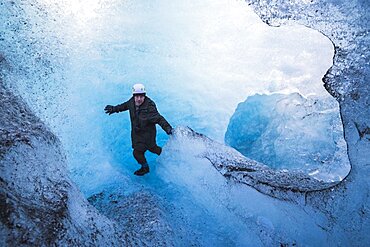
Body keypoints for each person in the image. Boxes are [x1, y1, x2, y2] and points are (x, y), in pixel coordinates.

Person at [104, 83, 173, 176]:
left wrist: (168, 129)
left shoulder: (150, 106)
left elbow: (159, 118)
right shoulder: (132, 102)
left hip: (148, 133)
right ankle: (163, 158)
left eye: (141, 96)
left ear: (144, 96)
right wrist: (113, 109)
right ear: (134, 96)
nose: (139, 99)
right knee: (146, 150)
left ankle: (148, 167)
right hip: (137, 133)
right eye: (137, 96)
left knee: (143, 151)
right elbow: (124, 106)